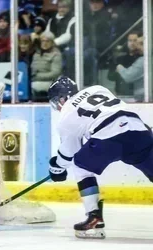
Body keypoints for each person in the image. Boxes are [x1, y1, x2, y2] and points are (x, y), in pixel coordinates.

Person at [47, 76, 153, 239]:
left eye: (56, 101)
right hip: (139, 130)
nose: (58, 106)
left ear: (62, 98)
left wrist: (57, 167)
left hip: (109, 135)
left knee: (80, 165)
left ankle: (93, 216)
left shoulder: (65, 115)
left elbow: (70, 151)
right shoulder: (98, 88)